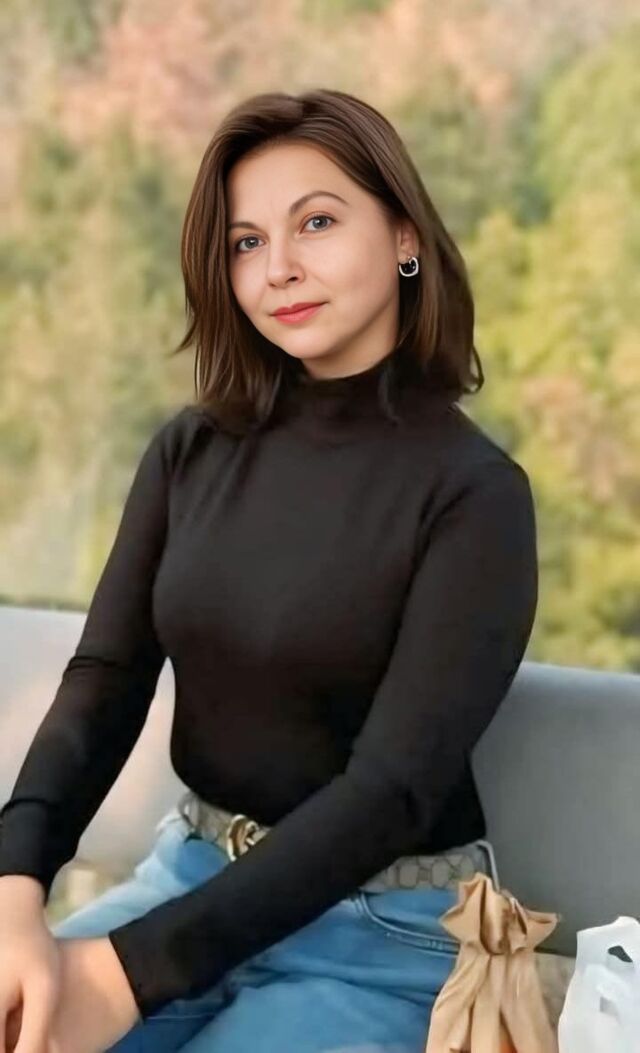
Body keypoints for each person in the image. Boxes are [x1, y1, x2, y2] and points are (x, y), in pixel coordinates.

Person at [0, 88, 538, 1053]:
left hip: (378, 932)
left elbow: (390, 793)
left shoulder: (476, 495)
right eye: (246, 242)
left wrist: (128, 975)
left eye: (316, 223)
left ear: (405, 236)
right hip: (187, 879)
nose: (278, 266)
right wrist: (14, 888)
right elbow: (106, 680)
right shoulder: (191, 450)